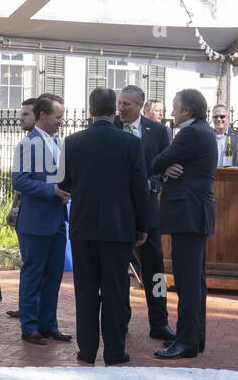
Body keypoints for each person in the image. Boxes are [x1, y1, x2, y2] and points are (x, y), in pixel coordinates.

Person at [62, 87, 148, 364]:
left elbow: (64, 185)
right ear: (114, 111)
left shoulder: (72, 142)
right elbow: (139, 190)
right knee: (114, 292)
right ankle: (114, 350)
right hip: (118, 229)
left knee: (85, 292)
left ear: (90, 110)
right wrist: (142, 226)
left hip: (83, 228)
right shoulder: (131, 144)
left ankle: (86, 350)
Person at [149, 88, 217, 360]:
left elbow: (157, 161)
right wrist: (166, 168)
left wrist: (163, 166)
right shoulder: (203, 130)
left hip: (188, 214)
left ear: (187, 111)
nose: (172, 112)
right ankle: (194, 337)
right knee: (195, 282)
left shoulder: (191, 132)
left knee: (188, 283)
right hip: (195, 214)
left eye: (175, 108)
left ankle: (187, 341)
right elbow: (166, 164)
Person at [115, 84, 174, 341]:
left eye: (127, 103)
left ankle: (159, 322)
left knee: (156, 271)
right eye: (120, 102)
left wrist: (154, 182)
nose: (121, 108)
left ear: (141, 105)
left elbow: (165, 168)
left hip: (148, 213)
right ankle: (120, 321)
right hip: (118, 213)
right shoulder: (110, 126)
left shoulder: (160, 132)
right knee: (118, 270)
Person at [12, 93, 71, 346]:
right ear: (43, 115)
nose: (61, 121)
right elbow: (20, 181)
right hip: (35, 221)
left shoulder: (59, 142)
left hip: (57, 219)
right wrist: (52, 191)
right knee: (33, 275)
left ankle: (49, 324)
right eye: (58, 116)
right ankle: (30, 327)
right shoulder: (27, 144)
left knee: (54, 274)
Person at [6, 97, 37, 319]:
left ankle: (31, 307)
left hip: (38, 214)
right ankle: (27, 306)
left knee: (34, 265)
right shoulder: (27, 143)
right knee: (30, 264)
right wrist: (14, 208)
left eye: (26, 114)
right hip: (27, 212)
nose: (21, 117)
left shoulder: (47, 143)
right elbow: (19, 186)